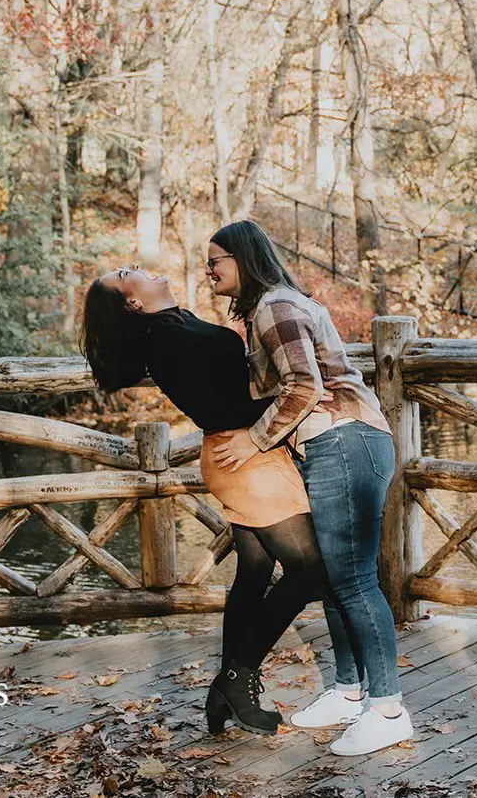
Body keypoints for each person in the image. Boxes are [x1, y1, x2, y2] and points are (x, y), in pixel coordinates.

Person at [81, 265, 327, 737]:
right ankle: (236, 679)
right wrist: (266, 424)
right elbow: (221, 401)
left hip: (242, 453)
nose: (140, 267)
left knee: (254, 573)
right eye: (127, 273)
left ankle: (227, 695)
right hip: (245, 458)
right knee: (310, 569)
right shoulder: (165, 338)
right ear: (132, 302)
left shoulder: (176, 324)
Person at [205, 220, 415, 756]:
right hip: (330, 444)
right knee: (330, 574)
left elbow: (305, 385)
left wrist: (253, 442)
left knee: (353, 579)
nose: (208, 269)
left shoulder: (275, 306)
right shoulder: (267, 309)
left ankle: (387, 709)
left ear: (244, 260)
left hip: (345, 439)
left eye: (216, 259)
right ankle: (348, 691)